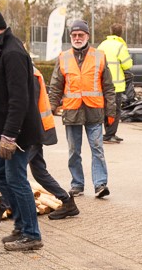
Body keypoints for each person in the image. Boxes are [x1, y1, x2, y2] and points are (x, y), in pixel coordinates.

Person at [0, 6, 45, 251]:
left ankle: (31, 234)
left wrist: (10, 135)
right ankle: (21, 225)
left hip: (17, 133)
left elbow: (19, 98)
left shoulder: (12, 52)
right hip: (6, 130)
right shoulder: (4, 50)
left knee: (17, 179)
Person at [0, 66, 81, 223]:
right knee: (38, 171)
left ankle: (3, 209)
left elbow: (25, 106)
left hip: (29, 132)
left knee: (13, 174)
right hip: (35, 130)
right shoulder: (27, 71)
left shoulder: (26, 73)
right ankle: (67, 201)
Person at [48, 20, 116, 199]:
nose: (77, 38)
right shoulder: (63, 57)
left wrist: (111, 112)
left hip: (94, 110)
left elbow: (108, 87)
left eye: (81, 35)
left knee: (97, 148)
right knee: (73, 151)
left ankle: (100, 184)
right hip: (72, 111)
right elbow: (56, 86)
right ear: (70, 37)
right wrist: (51, 108)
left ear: (87, 36)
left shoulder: (99, 56)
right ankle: (77, 184)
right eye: (74, 35)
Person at [97, 23, 132, 143]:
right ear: (121, 33)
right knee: (115, 110)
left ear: (110, 31)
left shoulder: (102, 45)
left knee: (107, 109)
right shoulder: (120, 46)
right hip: (116, 85)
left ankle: (109, 133)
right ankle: (110, 135)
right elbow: (127, 64)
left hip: (103, 84)